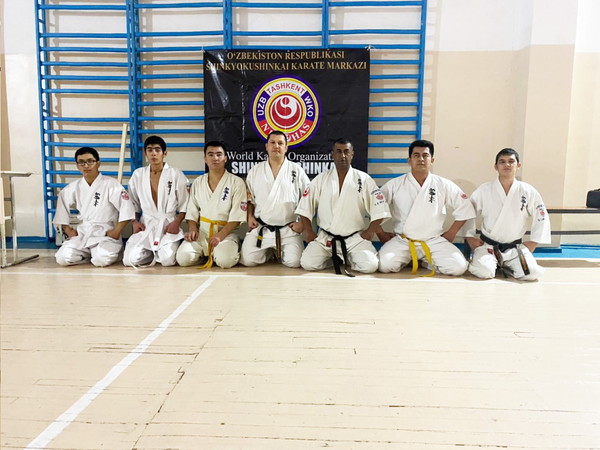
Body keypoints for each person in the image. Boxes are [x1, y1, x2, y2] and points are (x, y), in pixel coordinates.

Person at [377, 139, 475, 276]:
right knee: (384, 265)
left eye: (425, 155)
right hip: (403, 240)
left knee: (458, 267)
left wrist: (451, 232)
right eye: (416, 155)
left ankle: (423, 261)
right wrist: (380, 233)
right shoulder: (395, 184)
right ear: (409, 160)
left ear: (432, 160)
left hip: (433, 240)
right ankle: (412, 259)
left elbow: (465, 206)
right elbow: (375, 209)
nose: (421, 159)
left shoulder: (443, 184)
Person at [296, 138, 391, 276]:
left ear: (352, 154)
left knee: (370, 265)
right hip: (326, 238)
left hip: (354, 239)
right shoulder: (320, 179)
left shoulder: (364, 179)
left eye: (346, 152)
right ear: (332, 154)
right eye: (339, 152)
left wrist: (370, 231)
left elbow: (380, 209)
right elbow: (305, 207)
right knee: (308, 263)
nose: (343, 156)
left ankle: (347, 258)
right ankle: (334, 258)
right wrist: (309, 231)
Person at [465, 148, 551, 281]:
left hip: (514, 248)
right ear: (496, 166)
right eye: (502, 162)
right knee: (485, 272)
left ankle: (507, 265)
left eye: (511, 161)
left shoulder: (527, 191)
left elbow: (541, 215)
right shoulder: (484, 190)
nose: (507, 165)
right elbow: (467, 212)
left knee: (532, 273)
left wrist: (534, 242)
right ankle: (493, 263)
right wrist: (469, 237)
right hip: (488, 246)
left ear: (518, 165)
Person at [54, 147, 135, 266]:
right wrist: (68, 230)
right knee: (62, 258)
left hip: (104, 233)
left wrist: (116, 231)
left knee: (101, 259)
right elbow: (61, 209)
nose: (86, 165)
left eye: (90, 161)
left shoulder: (111, 184)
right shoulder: (74, 187)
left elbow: (127, 208)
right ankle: (87, 255)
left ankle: (95, 254)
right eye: (81, 162)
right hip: (83, 233)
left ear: (98, 163)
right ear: (77, 166)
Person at [239, 130, 310, 268]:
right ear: (267, 146)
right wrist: (250, 216)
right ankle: (270, 252)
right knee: (248, 260)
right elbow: (249, 198)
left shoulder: (296, 170)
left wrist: (302, 223)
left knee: (294, 262)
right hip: (262, 228)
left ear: (286, 147)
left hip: (288, 229)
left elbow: (308, 199)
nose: (276, 146)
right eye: (272, 142)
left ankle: (278, 252)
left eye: (280, 143)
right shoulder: (255, 171)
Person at [176, 141, 247, 268]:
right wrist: (192, 229)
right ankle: (205, 255)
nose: (215, 158)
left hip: (226, 233)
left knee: (225, 261)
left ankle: (223, 251)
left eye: (219, 154)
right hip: (202, 232)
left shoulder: (236, 182)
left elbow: (237, 216)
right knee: (183, 258)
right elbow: (192, 210)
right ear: (205, 159)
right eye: (211, 154)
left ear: (225, 158)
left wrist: (221, 235)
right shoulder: (198, 182)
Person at [123, 136, 188, 267]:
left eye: (157, 150)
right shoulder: (138, 175)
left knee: (167, 260)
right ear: (145, 153)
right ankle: (151, 252)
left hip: (168, 225)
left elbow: (185, 203)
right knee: (129, 260)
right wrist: (134, 222)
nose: (153, 153)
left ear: (165, 153)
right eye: (150, 150)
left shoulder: (176, 174)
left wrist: (176, 223)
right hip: (146, 224)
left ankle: (162, 250)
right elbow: (132, 203)